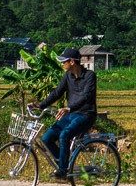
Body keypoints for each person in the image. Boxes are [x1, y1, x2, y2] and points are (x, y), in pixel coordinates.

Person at [35, 48, 97, 179]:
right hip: (71, 115)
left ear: (72, 62)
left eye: (64, 61)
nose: (62, 64)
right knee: (46, 138)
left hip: (86, 115)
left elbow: (86, 96)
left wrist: (69, 108)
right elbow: (57, 93)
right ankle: (65, 164)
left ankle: (63, 170)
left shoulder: (90, 76)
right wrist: (40, 105)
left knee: (64, 135)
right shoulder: (68, 76)